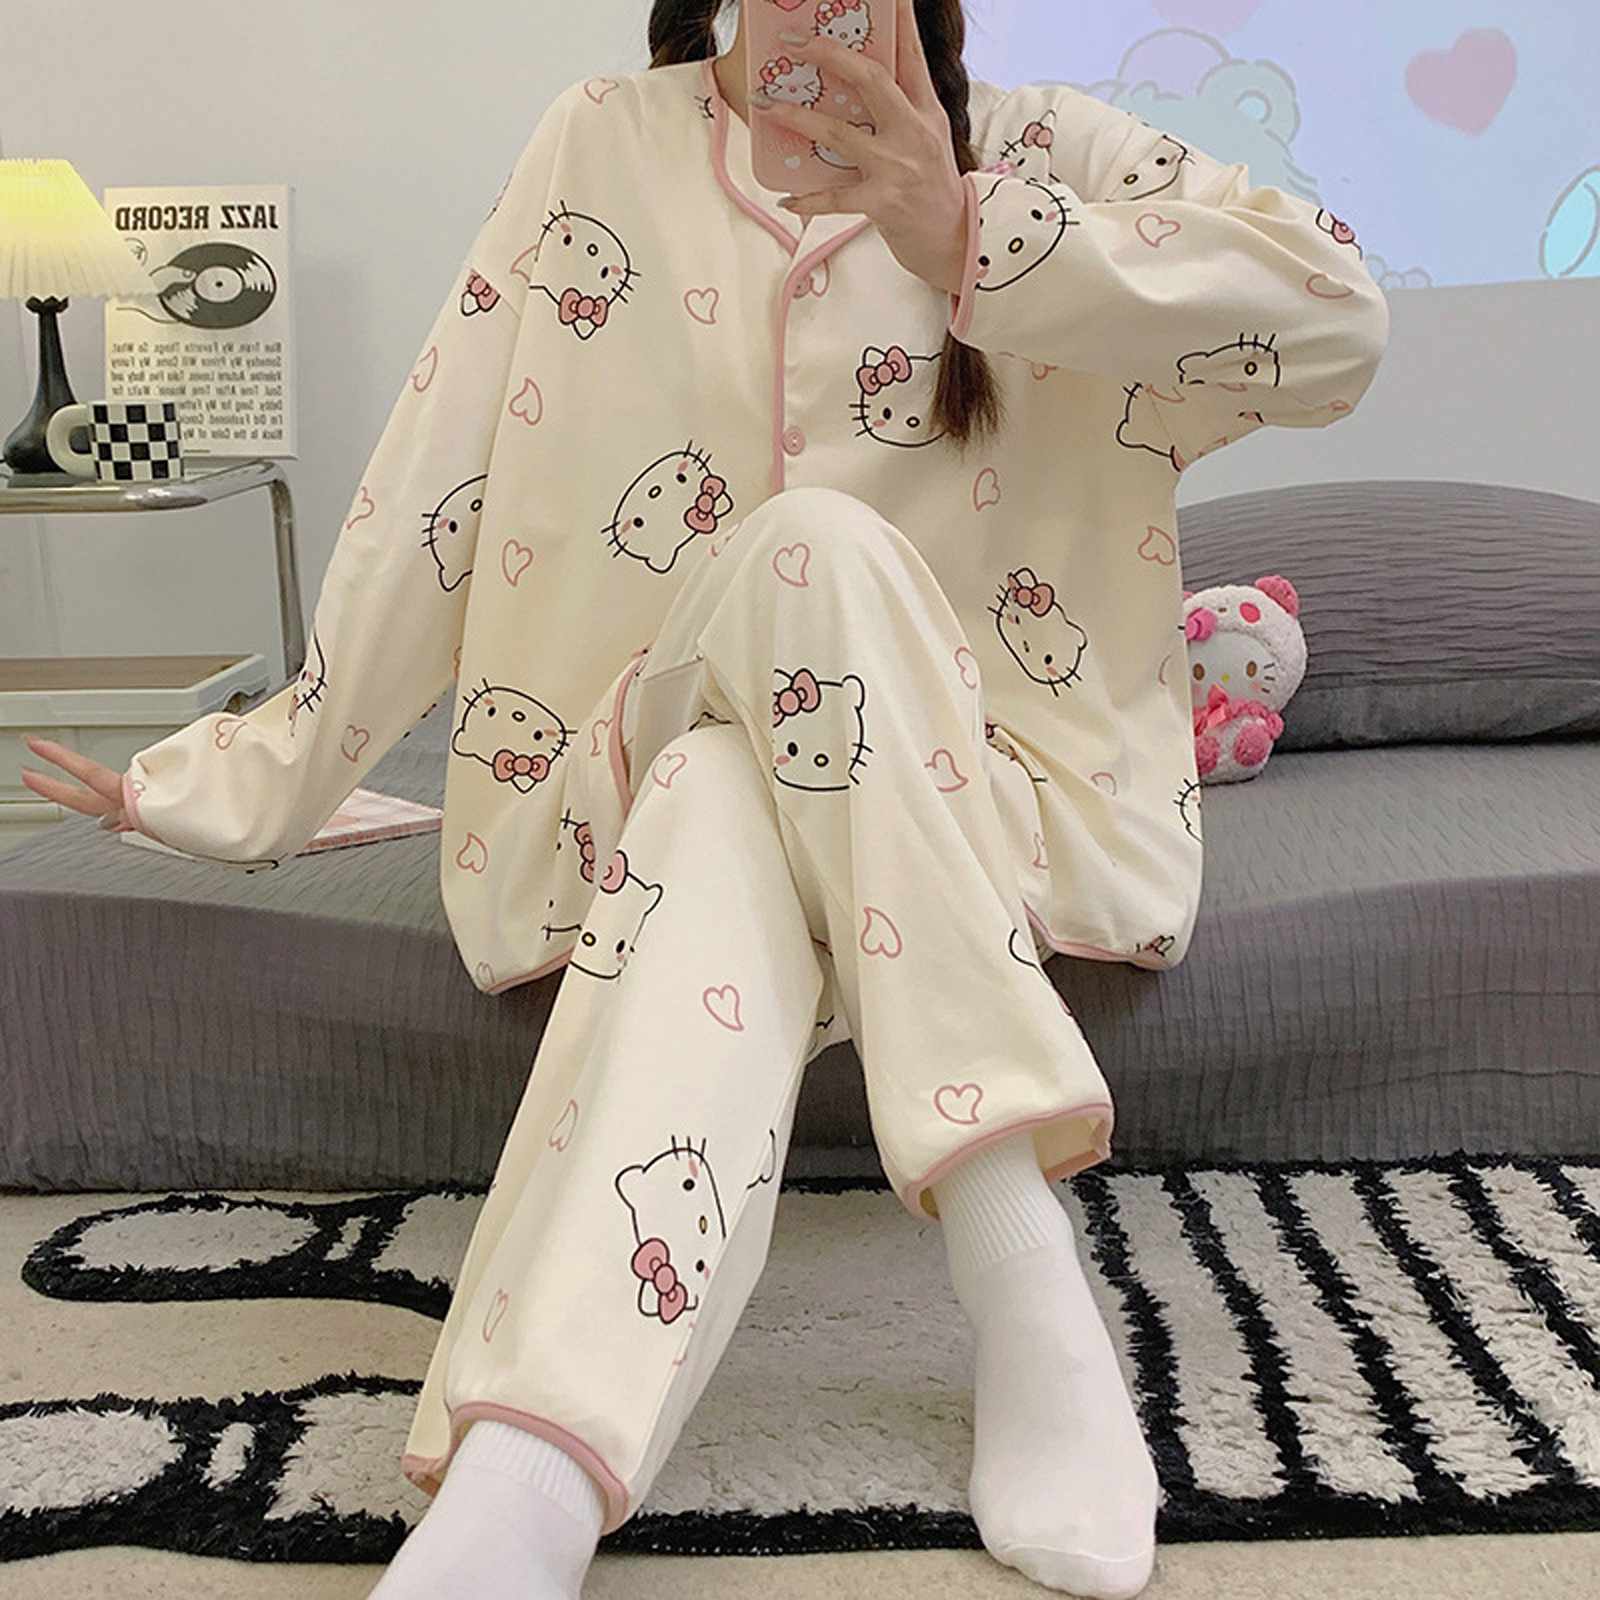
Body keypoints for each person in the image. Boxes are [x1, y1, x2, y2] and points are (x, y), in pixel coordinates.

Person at [21, 0, 1387, 1594]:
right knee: (805, 561)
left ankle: (530, 1470)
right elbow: (435, 487)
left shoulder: (1048, 149)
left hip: (991, 799)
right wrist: (253, 773)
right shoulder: (599, 143)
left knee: (736, 770)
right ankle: (1021, 1269)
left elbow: (1337, 323)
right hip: (603, 765)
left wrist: (970, 232)